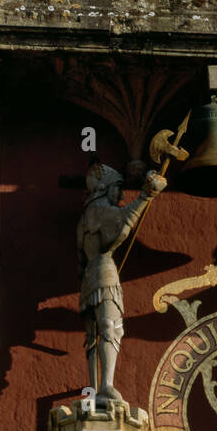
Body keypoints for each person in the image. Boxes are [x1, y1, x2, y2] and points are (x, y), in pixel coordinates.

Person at [77, 162, 166, 403]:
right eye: (117, 188)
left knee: (94, 332)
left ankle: (96, 386)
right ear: (104, 188)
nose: (121, 194)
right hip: (105, 272)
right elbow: (121, 227)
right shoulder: (101, 212)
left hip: (88, 277)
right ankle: (106, 385)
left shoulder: (86, 217)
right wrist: (146, 195)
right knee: (111, 328)